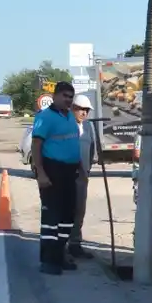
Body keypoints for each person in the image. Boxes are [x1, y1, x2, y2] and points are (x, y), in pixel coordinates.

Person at [29, 82, 83, 275]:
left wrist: (81, 168)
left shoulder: (70, 117)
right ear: (55, 96)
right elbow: (36, 145)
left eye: (71, 96)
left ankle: (60, 255)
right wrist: (40, 173)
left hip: (70, 172)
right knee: (51, 218)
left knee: (67, 217)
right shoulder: (45, 118)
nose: (68, 99)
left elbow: (73, 143)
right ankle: (48, 261)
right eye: (64, 96)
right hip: (52, 172)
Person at [67, 93, 97, 258]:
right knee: (66, 210)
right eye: (81, 110)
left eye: (87, 110)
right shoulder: (65, 125)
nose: (84, 113)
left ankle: (75, 244)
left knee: (80, 209)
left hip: (82, 176)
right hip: (66, 175)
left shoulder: (88, 127)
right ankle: (61, 245)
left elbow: (92, 149)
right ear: (73, 109)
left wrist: (88, 168)